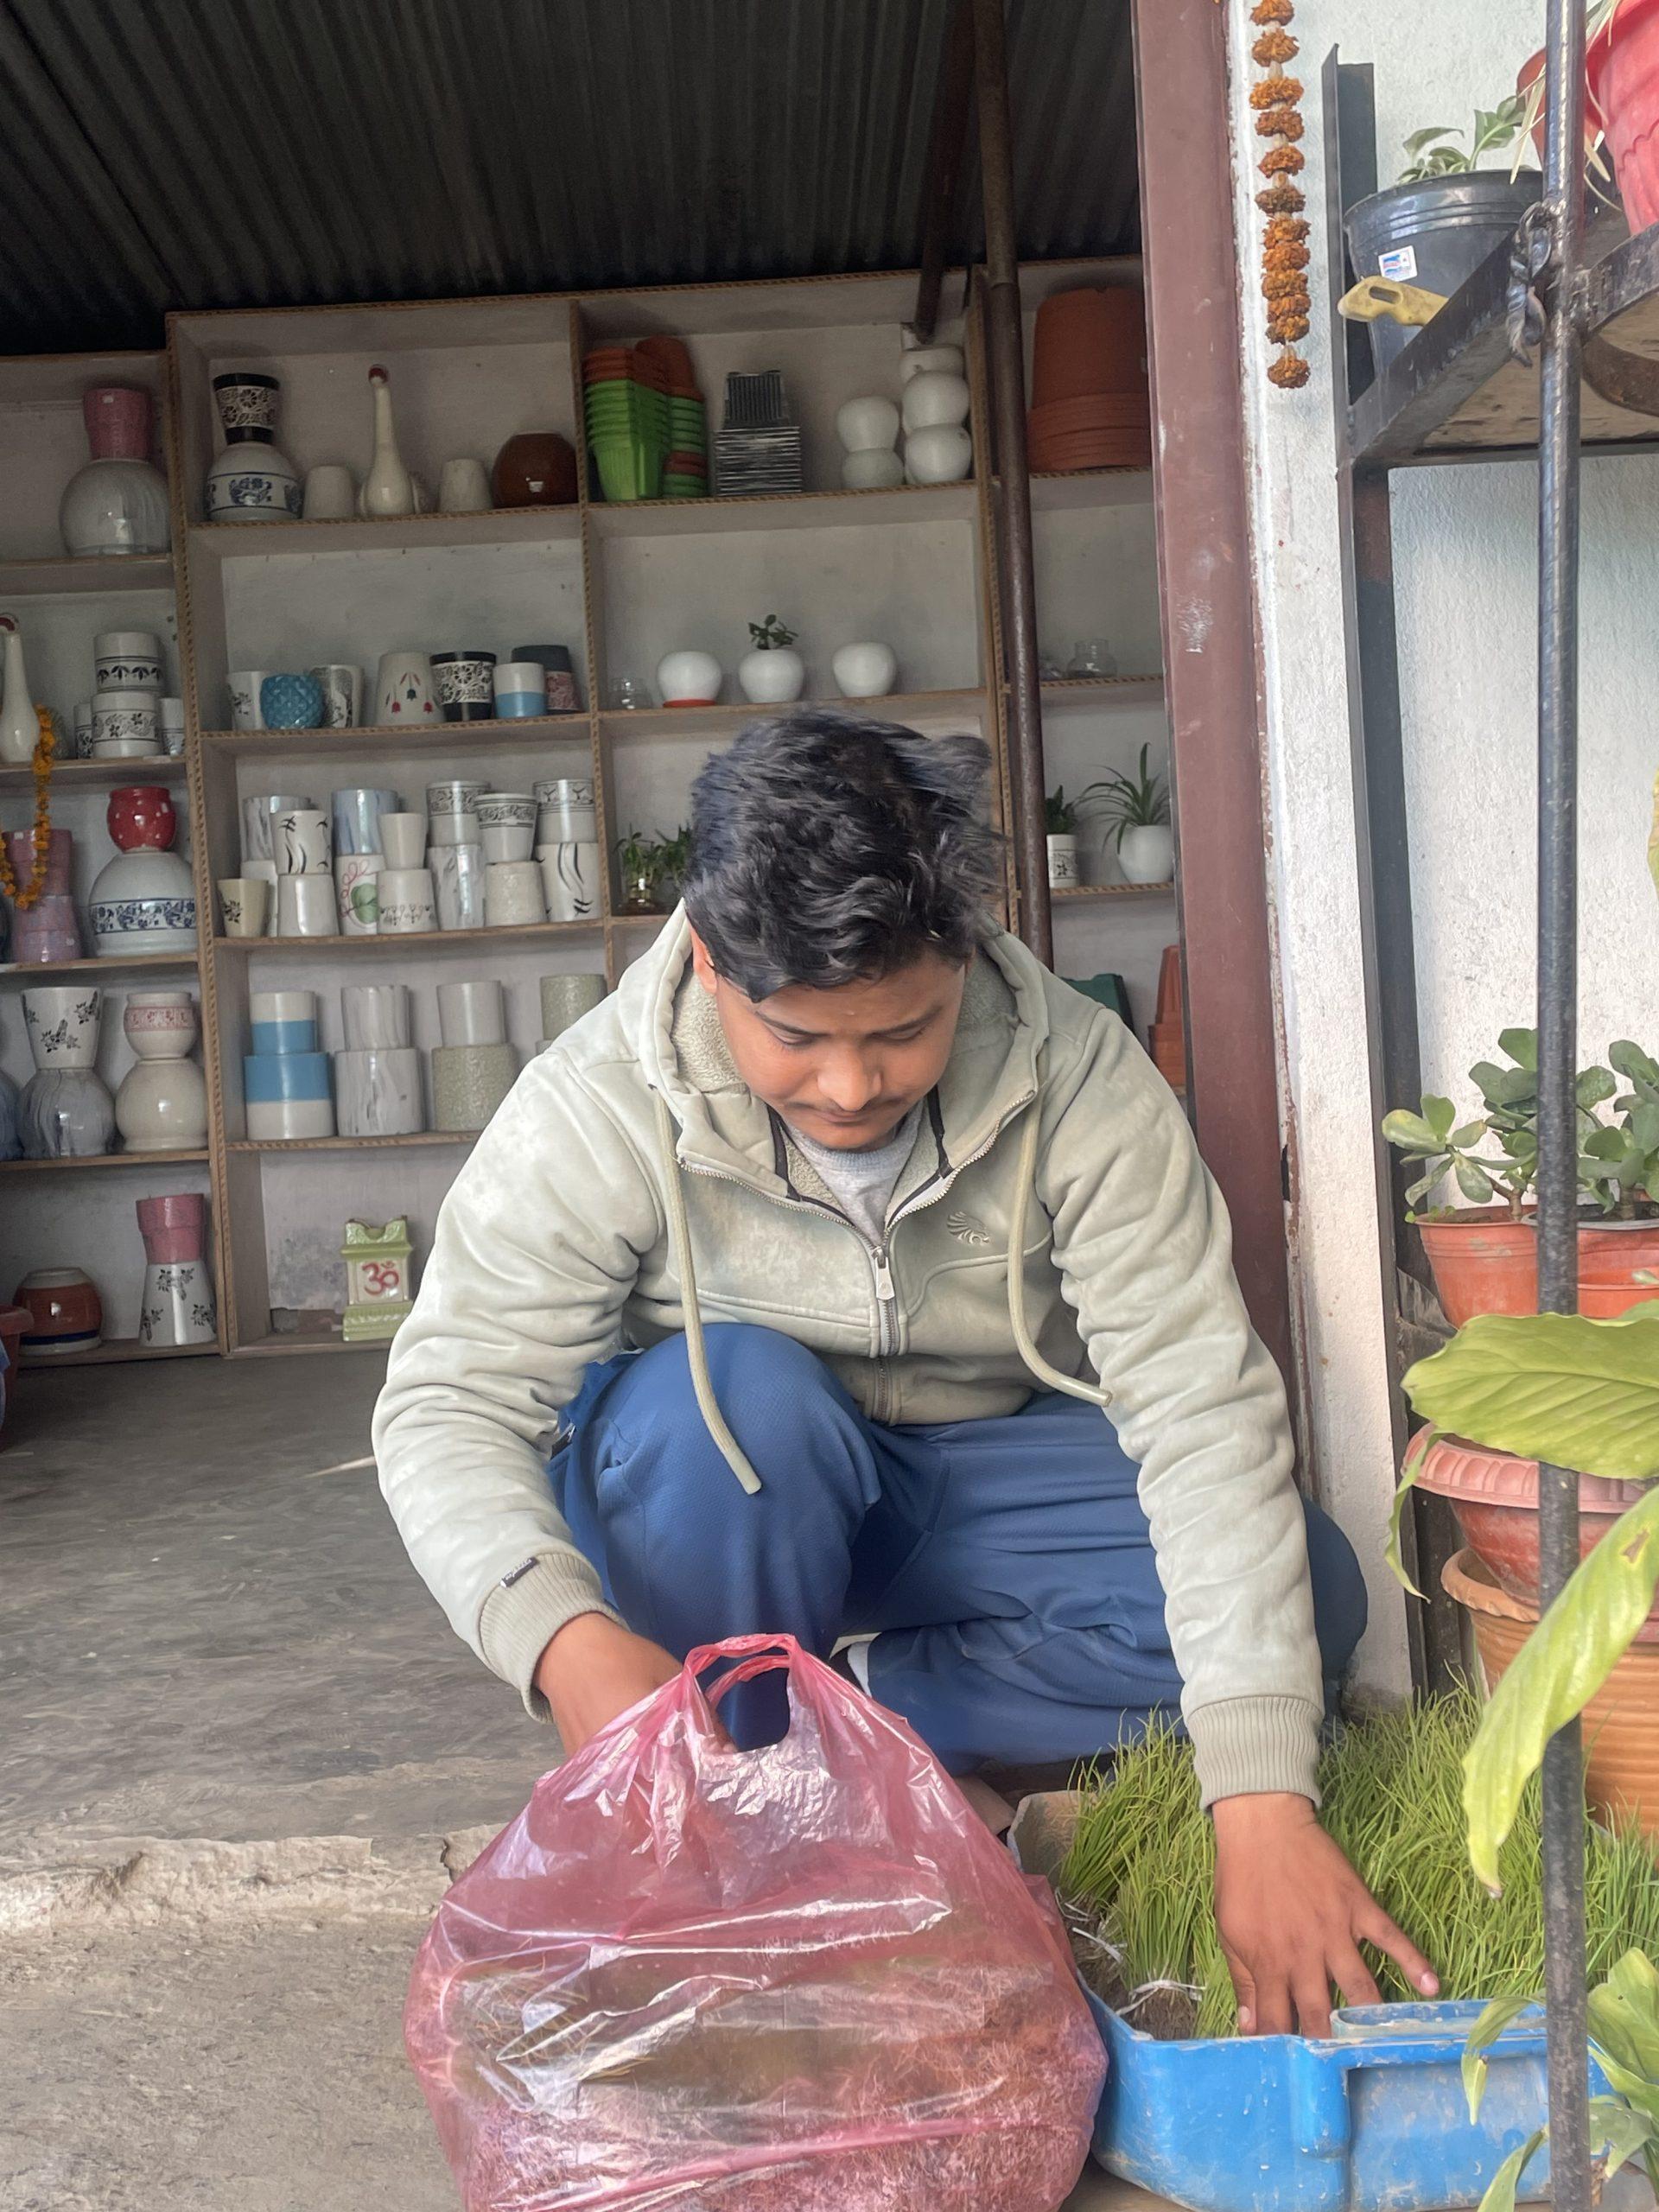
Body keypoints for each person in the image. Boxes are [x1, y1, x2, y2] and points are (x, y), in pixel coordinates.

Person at [374, 709, 1436, 2037]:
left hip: (970, 1476)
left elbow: (1200, 1417)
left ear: (966, 956)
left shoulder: (1080, 1082)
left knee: (1314, 1591)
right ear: (709, 962)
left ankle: (824, 1715)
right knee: (738, 1405)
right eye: (798, 1038)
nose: (850, 1084)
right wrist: (567, 1648)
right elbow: (448, 1403)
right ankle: (737, 1810)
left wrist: (1264, 1801)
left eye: (902, 1031)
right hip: (725, 1489)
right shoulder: (595, 1101)